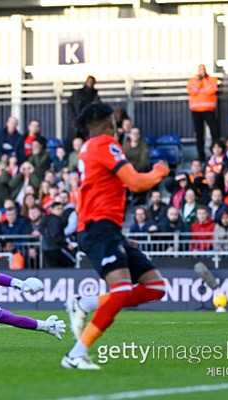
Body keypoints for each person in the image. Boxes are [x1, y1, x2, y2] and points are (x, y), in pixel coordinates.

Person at [60, 102, 169, 370]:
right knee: (120, 291)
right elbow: (137, 182)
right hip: (98, 227)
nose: (117, 127)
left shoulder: (87, 147)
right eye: (115, 121)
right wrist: (160, 171)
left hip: (107, 229)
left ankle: (83, 303)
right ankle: (76, 354)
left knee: (156, 288)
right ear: (109, 122)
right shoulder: (104, 143)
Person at [187, 64, 220, 162]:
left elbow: (211, 90)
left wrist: (204, 80)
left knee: (215, 132)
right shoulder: (192, 81)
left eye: (203, 69)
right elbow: (193, 91)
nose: (202, 71)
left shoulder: (211, 79)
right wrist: (199, 81)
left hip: (209, 109)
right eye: (200, 69)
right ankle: (201, 156)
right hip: (196, 110)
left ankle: (216, 153)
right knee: (199, 134)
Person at [40, 202, 76, 268]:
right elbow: (55, 236)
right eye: (58, 209)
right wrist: (66, 244)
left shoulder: (46, 219)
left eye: (62, 209)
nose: (60, 211)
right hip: (55, 248)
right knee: (72, 263)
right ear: (52, 209)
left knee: (53, 269)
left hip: (46, 249)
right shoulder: (55, 221)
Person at [68, 75, 100, 140]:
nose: (90, 83)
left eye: (91, 82)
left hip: (89, 121)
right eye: (89, 82)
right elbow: (71, 105)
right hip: (79, 120)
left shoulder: (95, 95)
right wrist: (74, 117)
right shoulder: (78, 93)